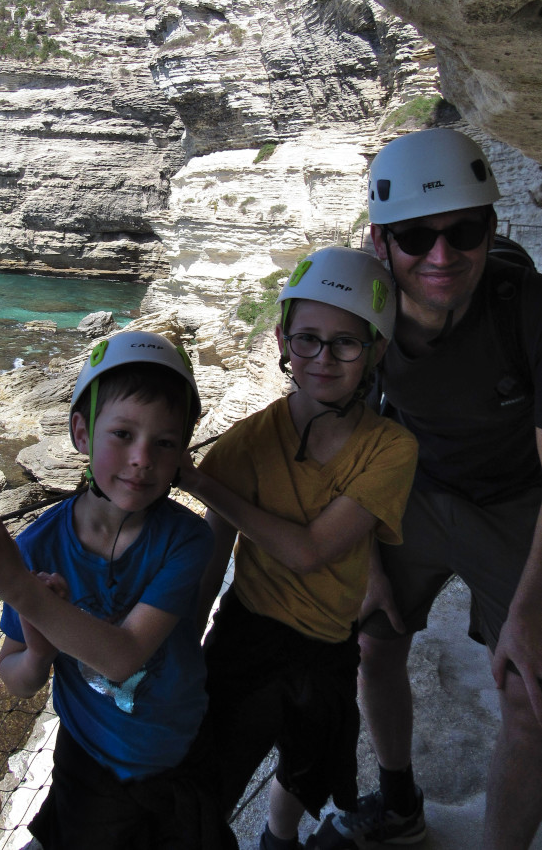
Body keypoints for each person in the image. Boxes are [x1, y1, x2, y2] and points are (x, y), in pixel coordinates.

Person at [316, 127, 542, 850]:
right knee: (374, 640)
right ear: (381, 242)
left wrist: (529, 613)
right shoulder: (358, 306)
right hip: (412, 486)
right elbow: (341, 428)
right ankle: (397, 800)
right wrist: (367, 563)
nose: (441, 257)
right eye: (415, 237)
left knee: (529, 693)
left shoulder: (522, 304)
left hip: (514, 500)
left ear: (491, 228)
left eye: (463, 231)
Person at [0, 330, 238, 850]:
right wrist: (39, 648)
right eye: (123, 434)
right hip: (90, 762)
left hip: (180, 751)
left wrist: (21, 591)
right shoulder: (40, 544)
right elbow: (17, 679)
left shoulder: (185, 539)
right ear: (82, 435)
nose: (142, 458)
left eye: (165, 442)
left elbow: (124, 656)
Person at [179, 246, 418, 850]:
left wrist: (204, 482)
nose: (324, 358)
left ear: (376, 352)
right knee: (213, 772)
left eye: (346, 343)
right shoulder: (250, 440)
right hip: (248, 634)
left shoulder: (391, 448)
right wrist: (181, 638)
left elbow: (312, 551)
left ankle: (278, 839)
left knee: (307, 762)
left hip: (329, 643)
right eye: (308, 340)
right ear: (284, 342)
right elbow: (213, 554)